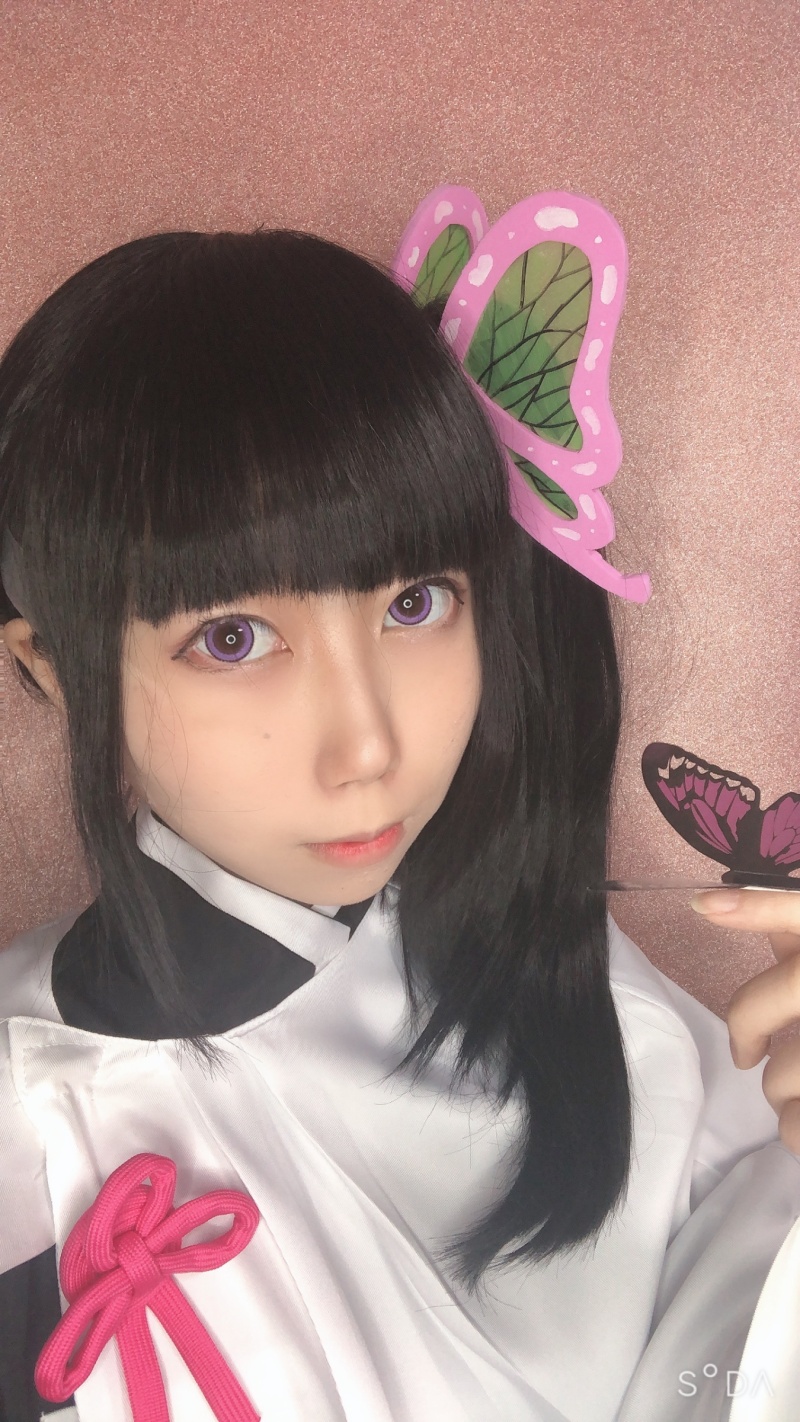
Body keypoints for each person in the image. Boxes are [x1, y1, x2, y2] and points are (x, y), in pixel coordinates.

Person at [0, 228, 798, 1422]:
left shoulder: (585, 992)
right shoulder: (28, 1103)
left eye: (415, 603)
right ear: (53, 668)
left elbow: (726, 1356)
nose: (367, 746)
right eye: (232, 638)